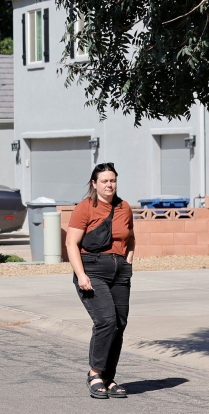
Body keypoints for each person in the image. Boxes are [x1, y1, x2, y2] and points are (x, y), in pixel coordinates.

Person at [65, 163, 135, 399]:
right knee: (106, 320)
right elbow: (71, 244)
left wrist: (128, 262)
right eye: (104, 181)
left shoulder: (124, 207)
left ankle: (108, 377)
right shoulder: (85, 208)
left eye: (112, 180)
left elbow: (130, 238)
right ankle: (95, 373)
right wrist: (81, 274)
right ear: (94, 184)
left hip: (120, 272)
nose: (109, 185)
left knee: (120, 325)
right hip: (92, 270)